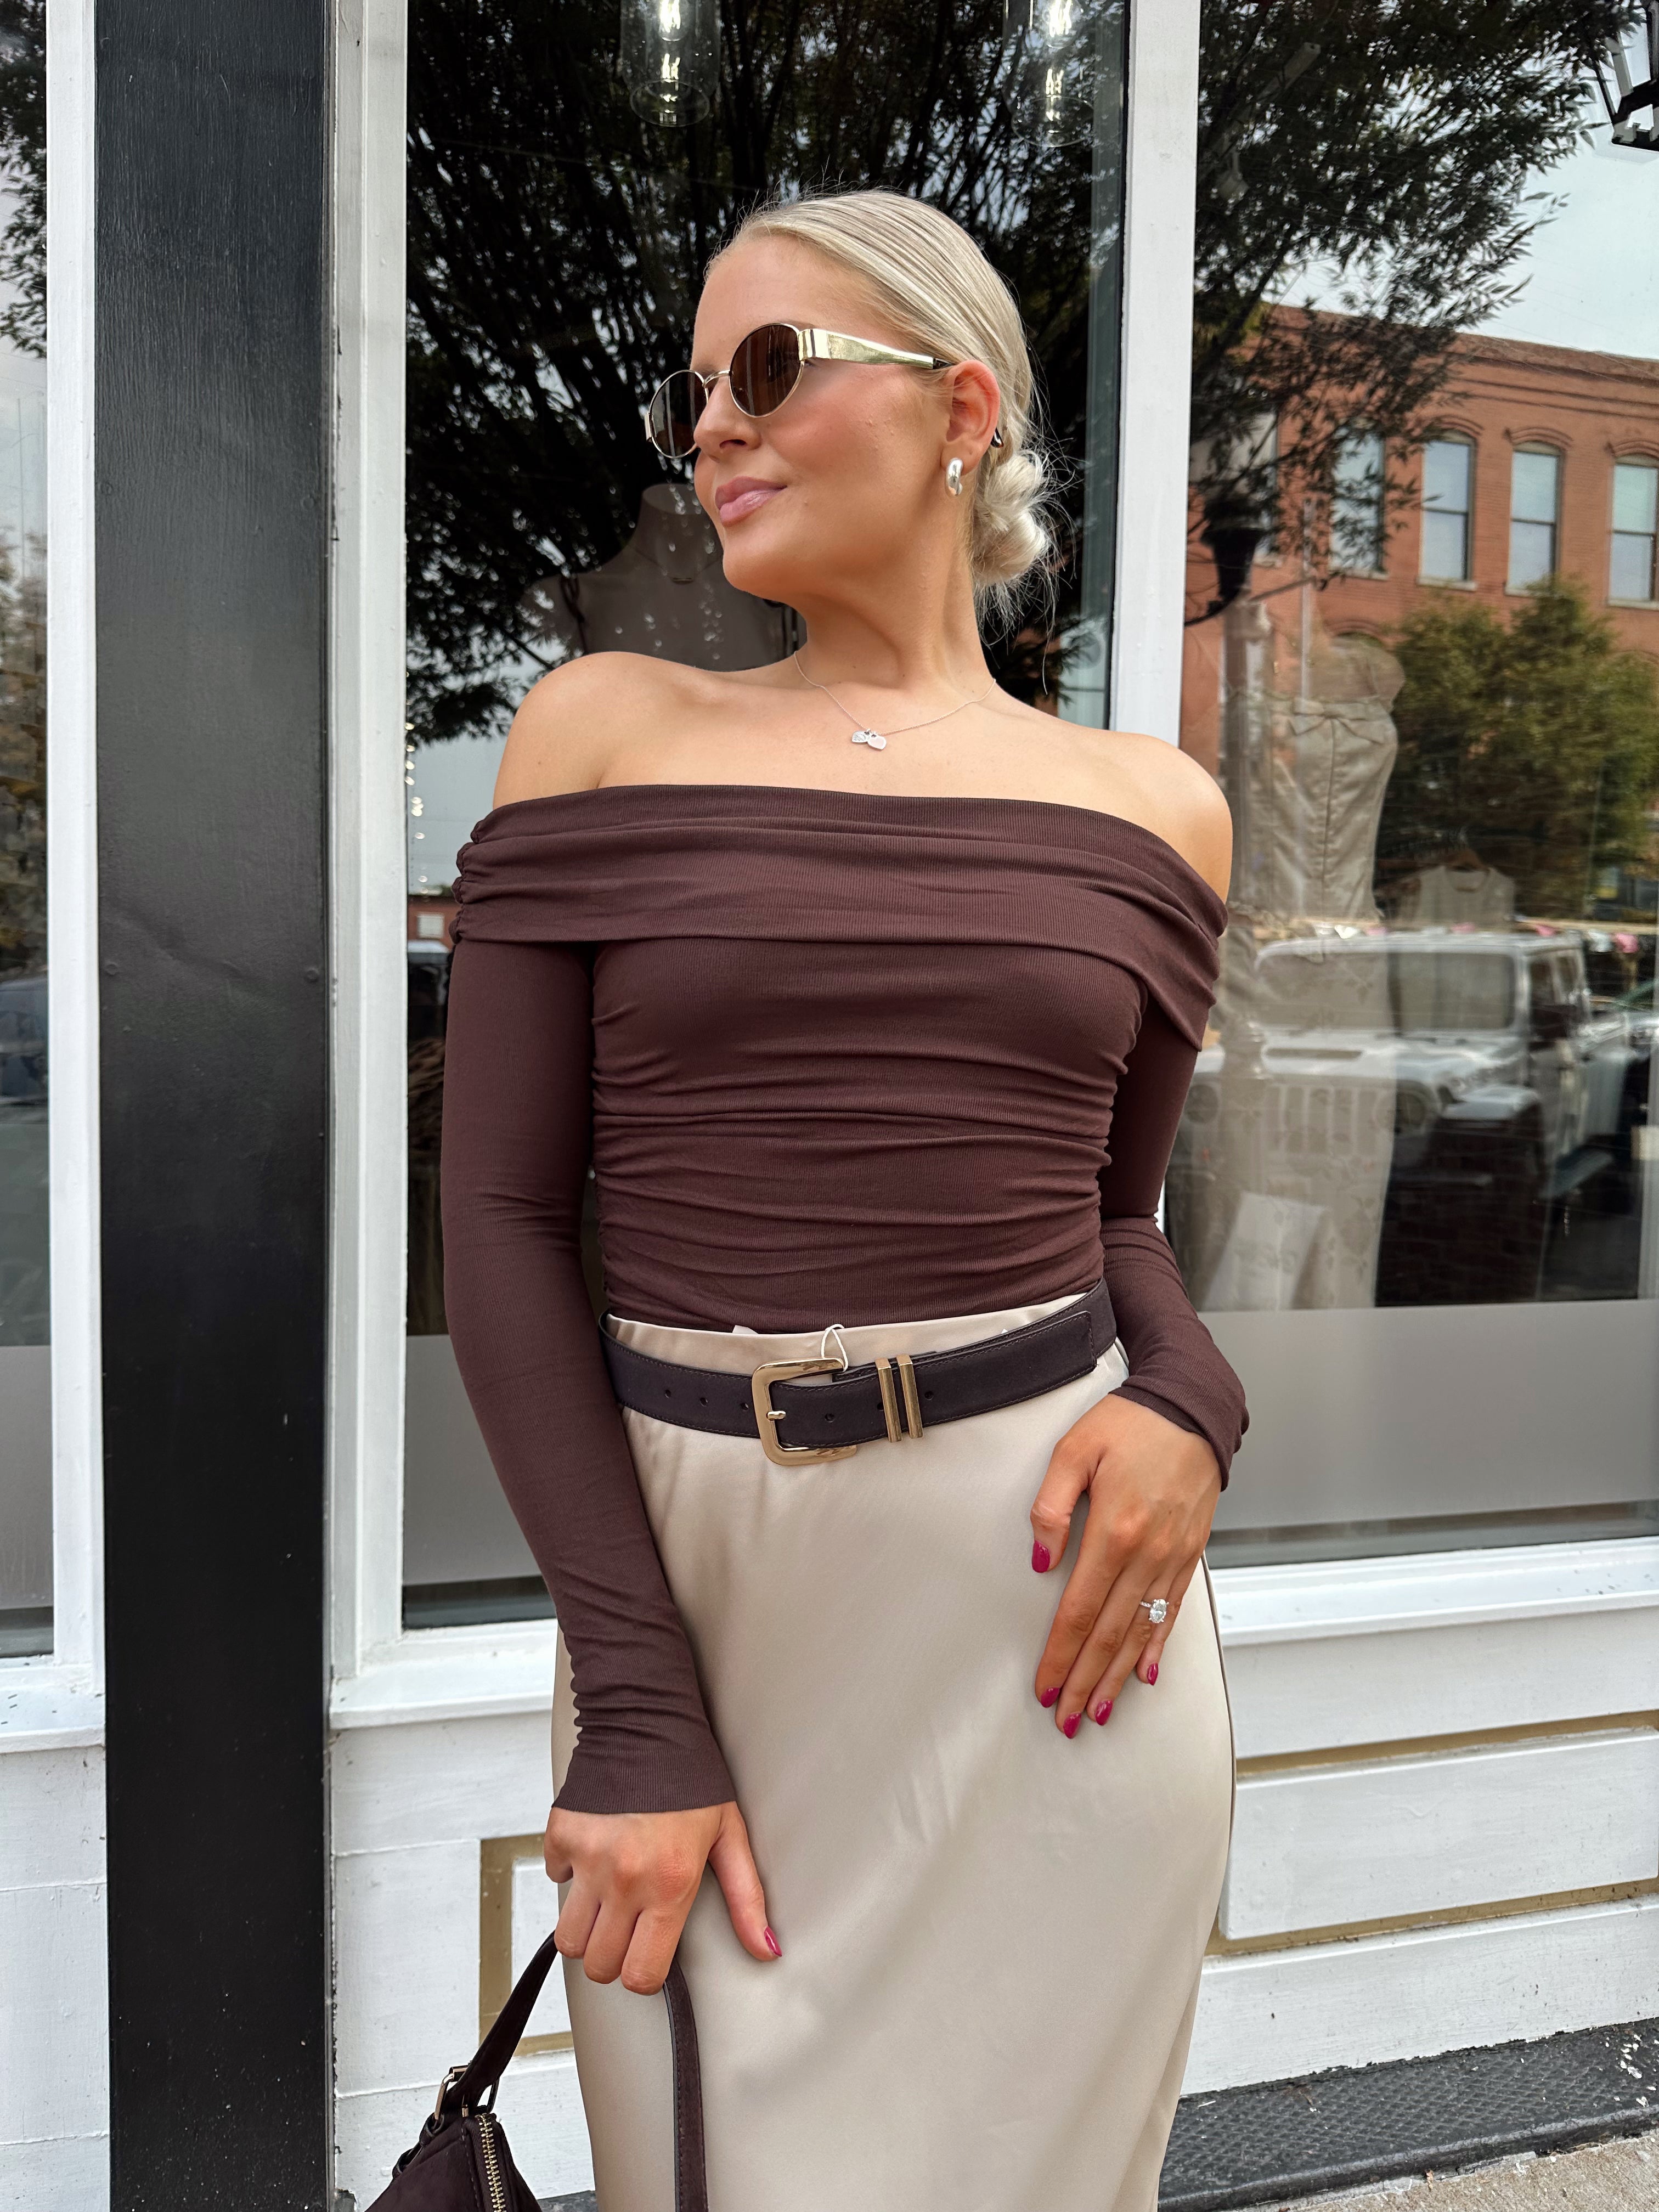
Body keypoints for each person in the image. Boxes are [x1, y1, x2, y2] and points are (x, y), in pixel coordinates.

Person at [440, 187, 1245, 2212]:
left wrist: (1192, 1406)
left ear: (961, 405)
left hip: (1058, 1629)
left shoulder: (1154, 807)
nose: (712, 426)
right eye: (695, 388)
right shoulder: (604, 732)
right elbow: (508, 1225)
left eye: (771, 369)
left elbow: (1123, 1220)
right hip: (713, 1597)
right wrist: (632, 1703)